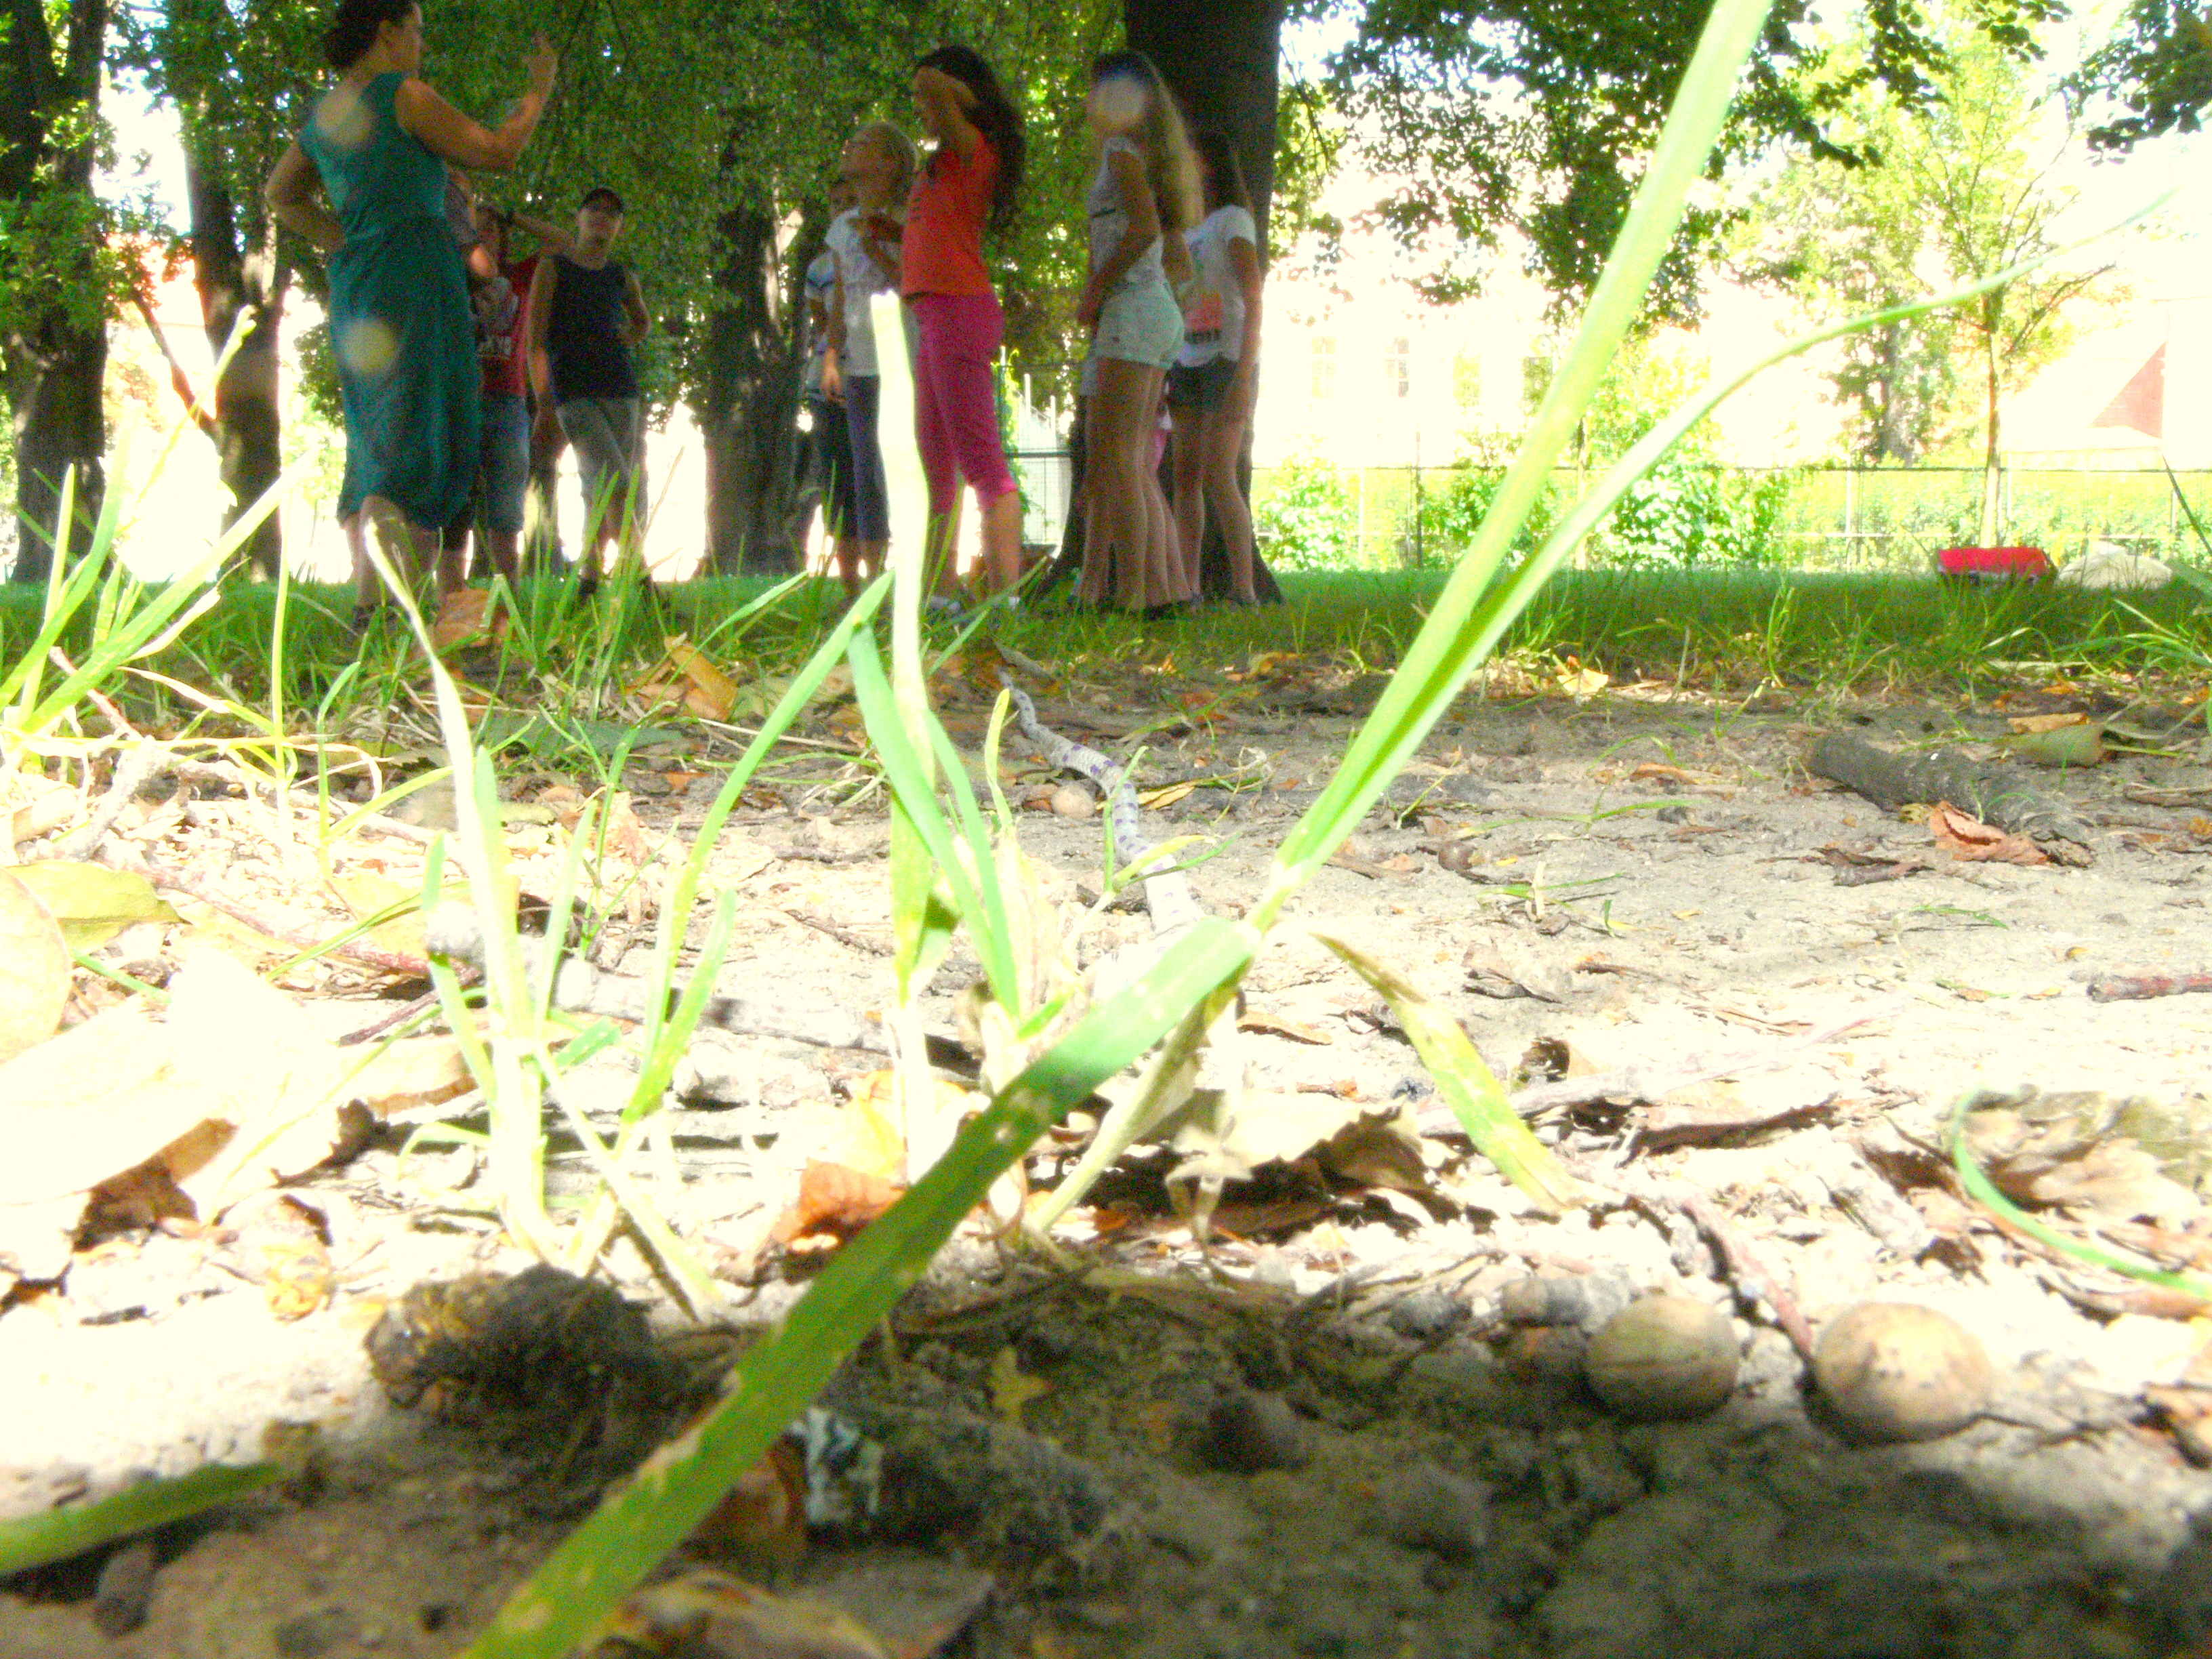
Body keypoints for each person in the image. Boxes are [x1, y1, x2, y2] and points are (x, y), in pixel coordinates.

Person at [264, 0, 555, 624]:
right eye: (418, 31)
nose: (422, 44)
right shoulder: (404, 95)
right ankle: (377, 615)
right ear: (387, 32)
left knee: (380, 440)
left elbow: (280, 194)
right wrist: (538, 90)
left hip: (360, 285)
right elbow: (498, 151)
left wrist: (344, 239)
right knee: (413, 442)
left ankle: (392, 609)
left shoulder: (329, 112)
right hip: (414, 278)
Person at [1071, 49, 1198, 617]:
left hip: (1133, 308)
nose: (1088, 102)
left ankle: (1134, 595)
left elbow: (1145, 229)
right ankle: (1164, 592)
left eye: (1095, 90)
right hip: (1150, 310)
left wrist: (1096, 287)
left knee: (1118, 459)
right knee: (1128, 462)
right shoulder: (1138, 157)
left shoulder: (1121, 153)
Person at [903, 45, 1026, 599]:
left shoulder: (975, 146)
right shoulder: (944, 162)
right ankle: (940, 593)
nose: (920, 106)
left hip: (959, 310)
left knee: (983, 466)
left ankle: (1006, 601)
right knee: (935, 465)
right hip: (935, 310)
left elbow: (935, 84)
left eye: (923, 97)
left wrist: (949, 90)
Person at [527, 185, 651, 594]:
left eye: (612, 214)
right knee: (615, 482)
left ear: (620, 227)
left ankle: (589, 581)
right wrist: (544, 403)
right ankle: (642, 584)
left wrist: (627, 337)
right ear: (578, 218)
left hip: (621, 390)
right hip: (573, 393)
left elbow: (642, 322)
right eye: (594, 209)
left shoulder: (621, 277)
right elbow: (535, 339)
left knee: (599, 488)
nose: (602, 217)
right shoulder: (554, 268)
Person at [453, 193, 573, 584]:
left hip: (508, 404)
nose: (486, 235)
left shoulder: (520, 277)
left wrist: (511, 215)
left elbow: (563, 242)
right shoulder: (450, 275)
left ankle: (509, 599)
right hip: (459, 402)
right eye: (478, 229)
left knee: (506, 511)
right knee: (453, 506)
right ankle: (451, 596)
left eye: (493, 230)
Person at [1168, 129, 1263, 607]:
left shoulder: (1233, 221)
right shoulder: (1188, 229)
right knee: (1185, 477)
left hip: (1227, 361)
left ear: (1208, 164)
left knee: (1219, 474)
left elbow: (1253, 298)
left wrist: (1244, 376)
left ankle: (1244, 588)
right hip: (1185, 360)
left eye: (1190, 158)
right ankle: (1189, 587)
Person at [823, 121, 916, 600]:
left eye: (861, 144)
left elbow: (917, 285)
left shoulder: (911, 217)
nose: (850, 149)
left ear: (889, 162)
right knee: (866, 475)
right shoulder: (841, 228)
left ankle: (922, 573)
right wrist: (831, 356)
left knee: (905, 469)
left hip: (906, 361)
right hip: (860, 366)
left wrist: (878, 250)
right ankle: (877, 583)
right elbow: (841, 298)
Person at [796, 178, 859, 579]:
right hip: (831, 387)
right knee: (839, 483)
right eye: (837, 203)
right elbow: (822, 321)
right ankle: (850, 585)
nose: (844, 210)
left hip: (879, 381)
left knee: (878, 481)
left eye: (852, 200)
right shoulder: (819, 268)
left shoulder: (890, 254)